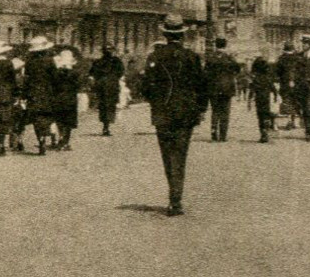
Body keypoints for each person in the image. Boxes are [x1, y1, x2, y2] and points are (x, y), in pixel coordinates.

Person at [140, 15, 209, 216]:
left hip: (163, 112)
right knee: (180, 154)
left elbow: (145, 86)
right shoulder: (192, 57)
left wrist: (155, 101)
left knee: (167, 155)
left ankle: (174, 195)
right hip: (186, 113)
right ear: (182, 35)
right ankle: (176, 199)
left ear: (165, 34)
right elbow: (202, 86)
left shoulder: (155, 57)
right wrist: (201, 108)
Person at [22, 36, 59, 155]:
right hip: (48, 92)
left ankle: (40, 139)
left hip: (33, 93)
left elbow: (26, 80)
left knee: (36, 118)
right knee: (47, 115)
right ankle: (45, 134)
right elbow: (55, 78)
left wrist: (25, 94)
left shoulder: (29, 63)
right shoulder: (50, 61)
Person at [279, 39, 310, 141]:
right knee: (304, 109)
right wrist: (292, 79)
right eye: (303, 43)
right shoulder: (298, 56)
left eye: (306, 43)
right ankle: (307, 129)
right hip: (301, 87)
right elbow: (293, 69)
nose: (304, 45)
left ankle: (309, 132)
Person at [204, 37, 241, 142]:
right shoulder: (229, 58)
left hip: (213, 88)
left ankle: (213, 131)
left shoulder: (210, 58)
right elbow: (237, 69)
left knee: (215, 111)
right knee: (225, 112)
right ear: (225, 45)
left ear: (216, 45)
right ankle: (223, 135)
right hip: (227, 89)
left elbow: (205, 73)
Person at [89, 43, 126, 137]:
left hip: (102, 85)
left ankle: (105, 126)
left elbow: (92, 73)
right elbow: (121, 72)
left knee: (103, 105)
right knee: (110, 105)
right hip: (112, 85)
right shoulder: (116, 61)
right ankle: (107, 125)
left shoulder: (98, 62)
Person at [50, 47, 82, 150]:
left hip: (58, 98)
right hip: (70, 99)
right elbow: (78, 86)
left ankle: (60, 139)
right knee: (68, 121)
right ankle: (66, 142)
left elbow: (52, 85)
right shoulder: (75, 73)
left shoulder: (56, 73)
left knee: (59, 120)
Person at [250, 50, 277, 142]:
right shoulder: (268, 78)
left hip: (259, 99)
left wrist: (249, 101)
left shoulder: (256, 79)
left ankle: (263, 134)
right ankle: (267, 130)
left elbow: (252, 90)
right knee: (266, 114)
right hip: (267, 98)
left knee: (260, 115)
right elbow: (273, 89)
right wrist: (276, 96)